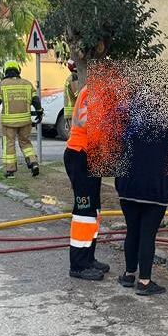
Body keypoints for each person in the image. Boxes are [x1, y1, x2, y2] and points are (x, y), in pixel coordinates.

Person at [115, 90, 168, 296]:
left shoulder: (128, 127)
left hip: (128, 187)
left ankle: (129, 274)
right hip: (156, 189)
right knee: (147, 234)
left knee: (132, 230)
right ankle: (144, 282)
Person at [63, 83, 110, 281]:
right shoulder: (94, 93)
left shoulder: (95, 90)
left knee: (93, 211)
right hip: (81, 155)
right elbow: (92, 126)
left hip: (89, 157)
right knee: (84, 212)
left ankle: (89, 258)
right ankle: (79, 265)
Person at [0, 60, 43, 178]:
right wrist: (39, 113)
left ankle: (10, 171)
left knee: (9, 144)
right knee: (25, 142)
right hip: (25, 122)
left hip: (9, 123)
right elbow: (36, 100)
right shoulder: (27, 84)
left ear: (5, 70)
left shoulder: (2, 84)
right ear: (18, 70)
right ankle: (33, 163)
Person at [63, 59, 79, 127]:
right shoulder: (74, 77)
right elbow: (77, 94)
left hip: (71, 111)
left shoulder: (72, 77)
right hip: (73, 111)